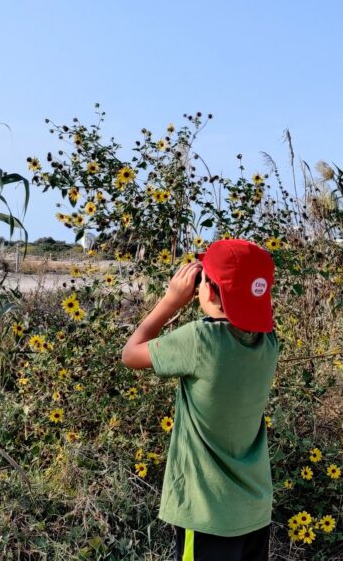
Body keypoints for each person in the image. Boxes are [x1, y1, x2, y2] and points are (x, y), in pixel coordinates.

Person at [121, 239, 279, 561]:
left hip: (208, 513)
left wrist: (170, 301)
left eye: (203, 278)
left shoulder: (201, 340)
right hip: (253, 511)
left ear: (207, 290)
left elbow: (129, 354)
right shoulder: (269, 343)